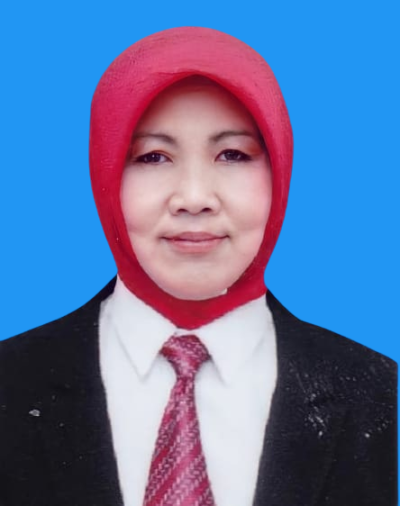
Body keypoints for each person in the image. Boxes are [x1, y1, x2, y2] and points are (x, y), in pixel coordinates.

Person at [0, 27, 396, 506]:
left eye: (233, 154)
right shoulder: (10, 383)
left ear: (279, 170)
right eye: (152, 156)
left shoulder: (380, 392)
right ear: (104, 172)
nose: (193, 197)